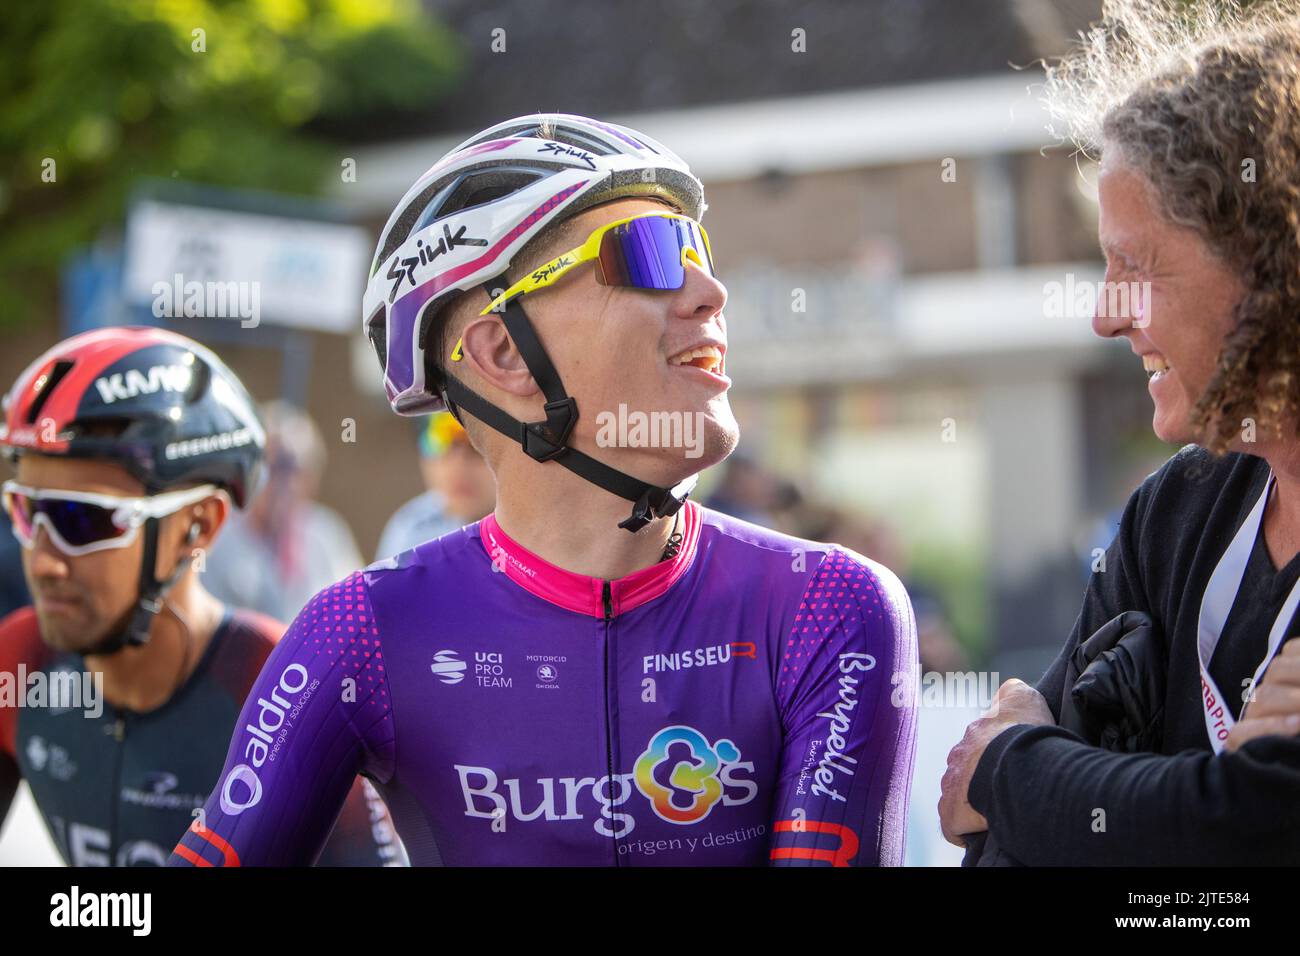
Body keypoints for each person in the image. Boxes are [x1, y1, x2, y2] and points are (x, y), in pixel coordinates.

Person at [171, 113, 918, 867]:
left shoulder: (829, 606)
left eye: (700, 250)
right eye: (653, 255)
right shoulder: (357, 633)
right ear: (503, 353)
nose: (711, 291)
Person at [939, 0, 1300, 865]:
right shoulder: (1176, 510)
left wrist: (1021, 772)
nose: (1104, 315)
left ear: (1271, 261)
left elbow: (1245, 834)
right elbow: (999, 850)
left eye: (1134, 266)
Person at [0, 326, 402, 866]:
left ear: (198, 527)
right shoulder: (20, 659)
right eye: (28, 512)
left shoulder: (288, 692)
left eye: (83, 518)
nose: (44, 561)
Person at [202, 401, 364, 623]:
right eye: (275, 467)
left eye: (295, 469)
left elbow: (355, 613)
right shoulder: (217, 539)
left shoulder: (326, 535)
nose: (286, 483)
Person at [374, 411, 495, 559]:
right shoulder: (412, 531)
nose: (456, 468)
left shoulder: (528, 535)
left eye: (474, 448)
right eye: (438, 444)